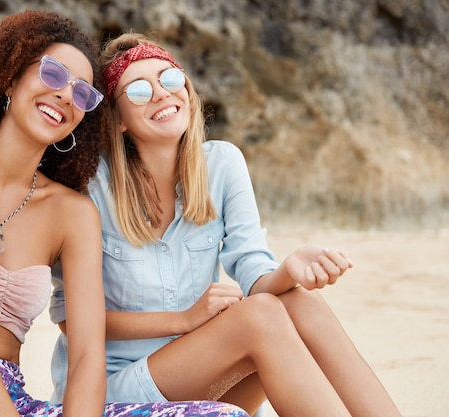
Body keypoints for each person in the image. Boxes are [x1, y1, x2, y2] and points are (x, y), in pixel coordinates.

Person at [0, 12, 250, 417]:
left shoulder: (73, 212)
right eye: (52, 74)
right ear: (11, 77)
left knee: (223, 415)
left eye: (83, 93)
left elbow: (86, 356)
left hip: (13, 398)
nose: (67, 95)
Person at [49, 32, 404, 417]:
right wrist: (183, 320)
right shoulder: (91, 185)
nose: (161, 94)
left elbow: (256, 274)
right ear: (117, 120)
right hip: (111, 391)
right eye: (138, 91)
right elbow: (72, 321)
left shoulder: (222, 164)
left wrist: (289, 269)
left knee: (302, 303)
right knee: (259, 317)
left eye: (169, 80)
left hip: (199, 376)